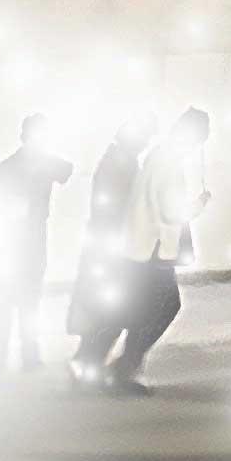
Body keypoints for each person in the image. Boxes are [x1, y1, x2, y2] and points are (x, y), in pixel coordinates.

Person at [104, 108, 209, 387]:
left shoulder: (158, 156)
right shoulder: (169, 163)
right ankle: (124, 368)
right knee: (167, 305)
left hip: (142, 246)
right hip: (154, 248)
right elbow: (171, 211)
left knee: (144, 307)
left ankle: (124, 367)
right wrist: (196, 207)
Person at [0, 115, 70, 373]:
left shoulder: (25, 164)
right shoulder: (10, 168)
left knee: (24, 299)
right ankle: (11, 357)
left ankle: (16, 357)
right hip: (12, 242)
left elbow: (67, 170)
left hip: (24, 241)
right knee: (12, 300)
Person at [65, 121, 149, 387]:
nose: (146, 142)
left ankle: (86, 362)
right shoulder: (120, 164)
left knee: (102, 306)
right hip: (111, 247)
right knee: (108, 305)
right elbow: (122, 205)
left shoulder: (117, 159)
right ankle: (87, 363)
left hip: (105, 244)